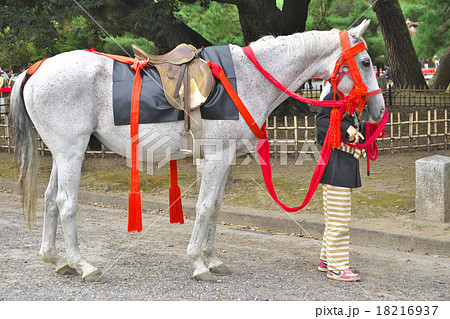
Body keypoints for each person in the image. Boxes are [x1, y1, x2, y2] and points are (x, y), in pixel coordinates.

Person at [315, 83, 364, 282]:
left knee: (335, 216)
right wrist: (347, 128)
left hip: (344, 161)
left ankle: (327, 259)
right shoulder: (333, 95)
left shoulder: (347, 99)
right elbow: (323, 121)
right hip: (337, 161)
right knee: (339, 218)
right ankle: (337, 267)